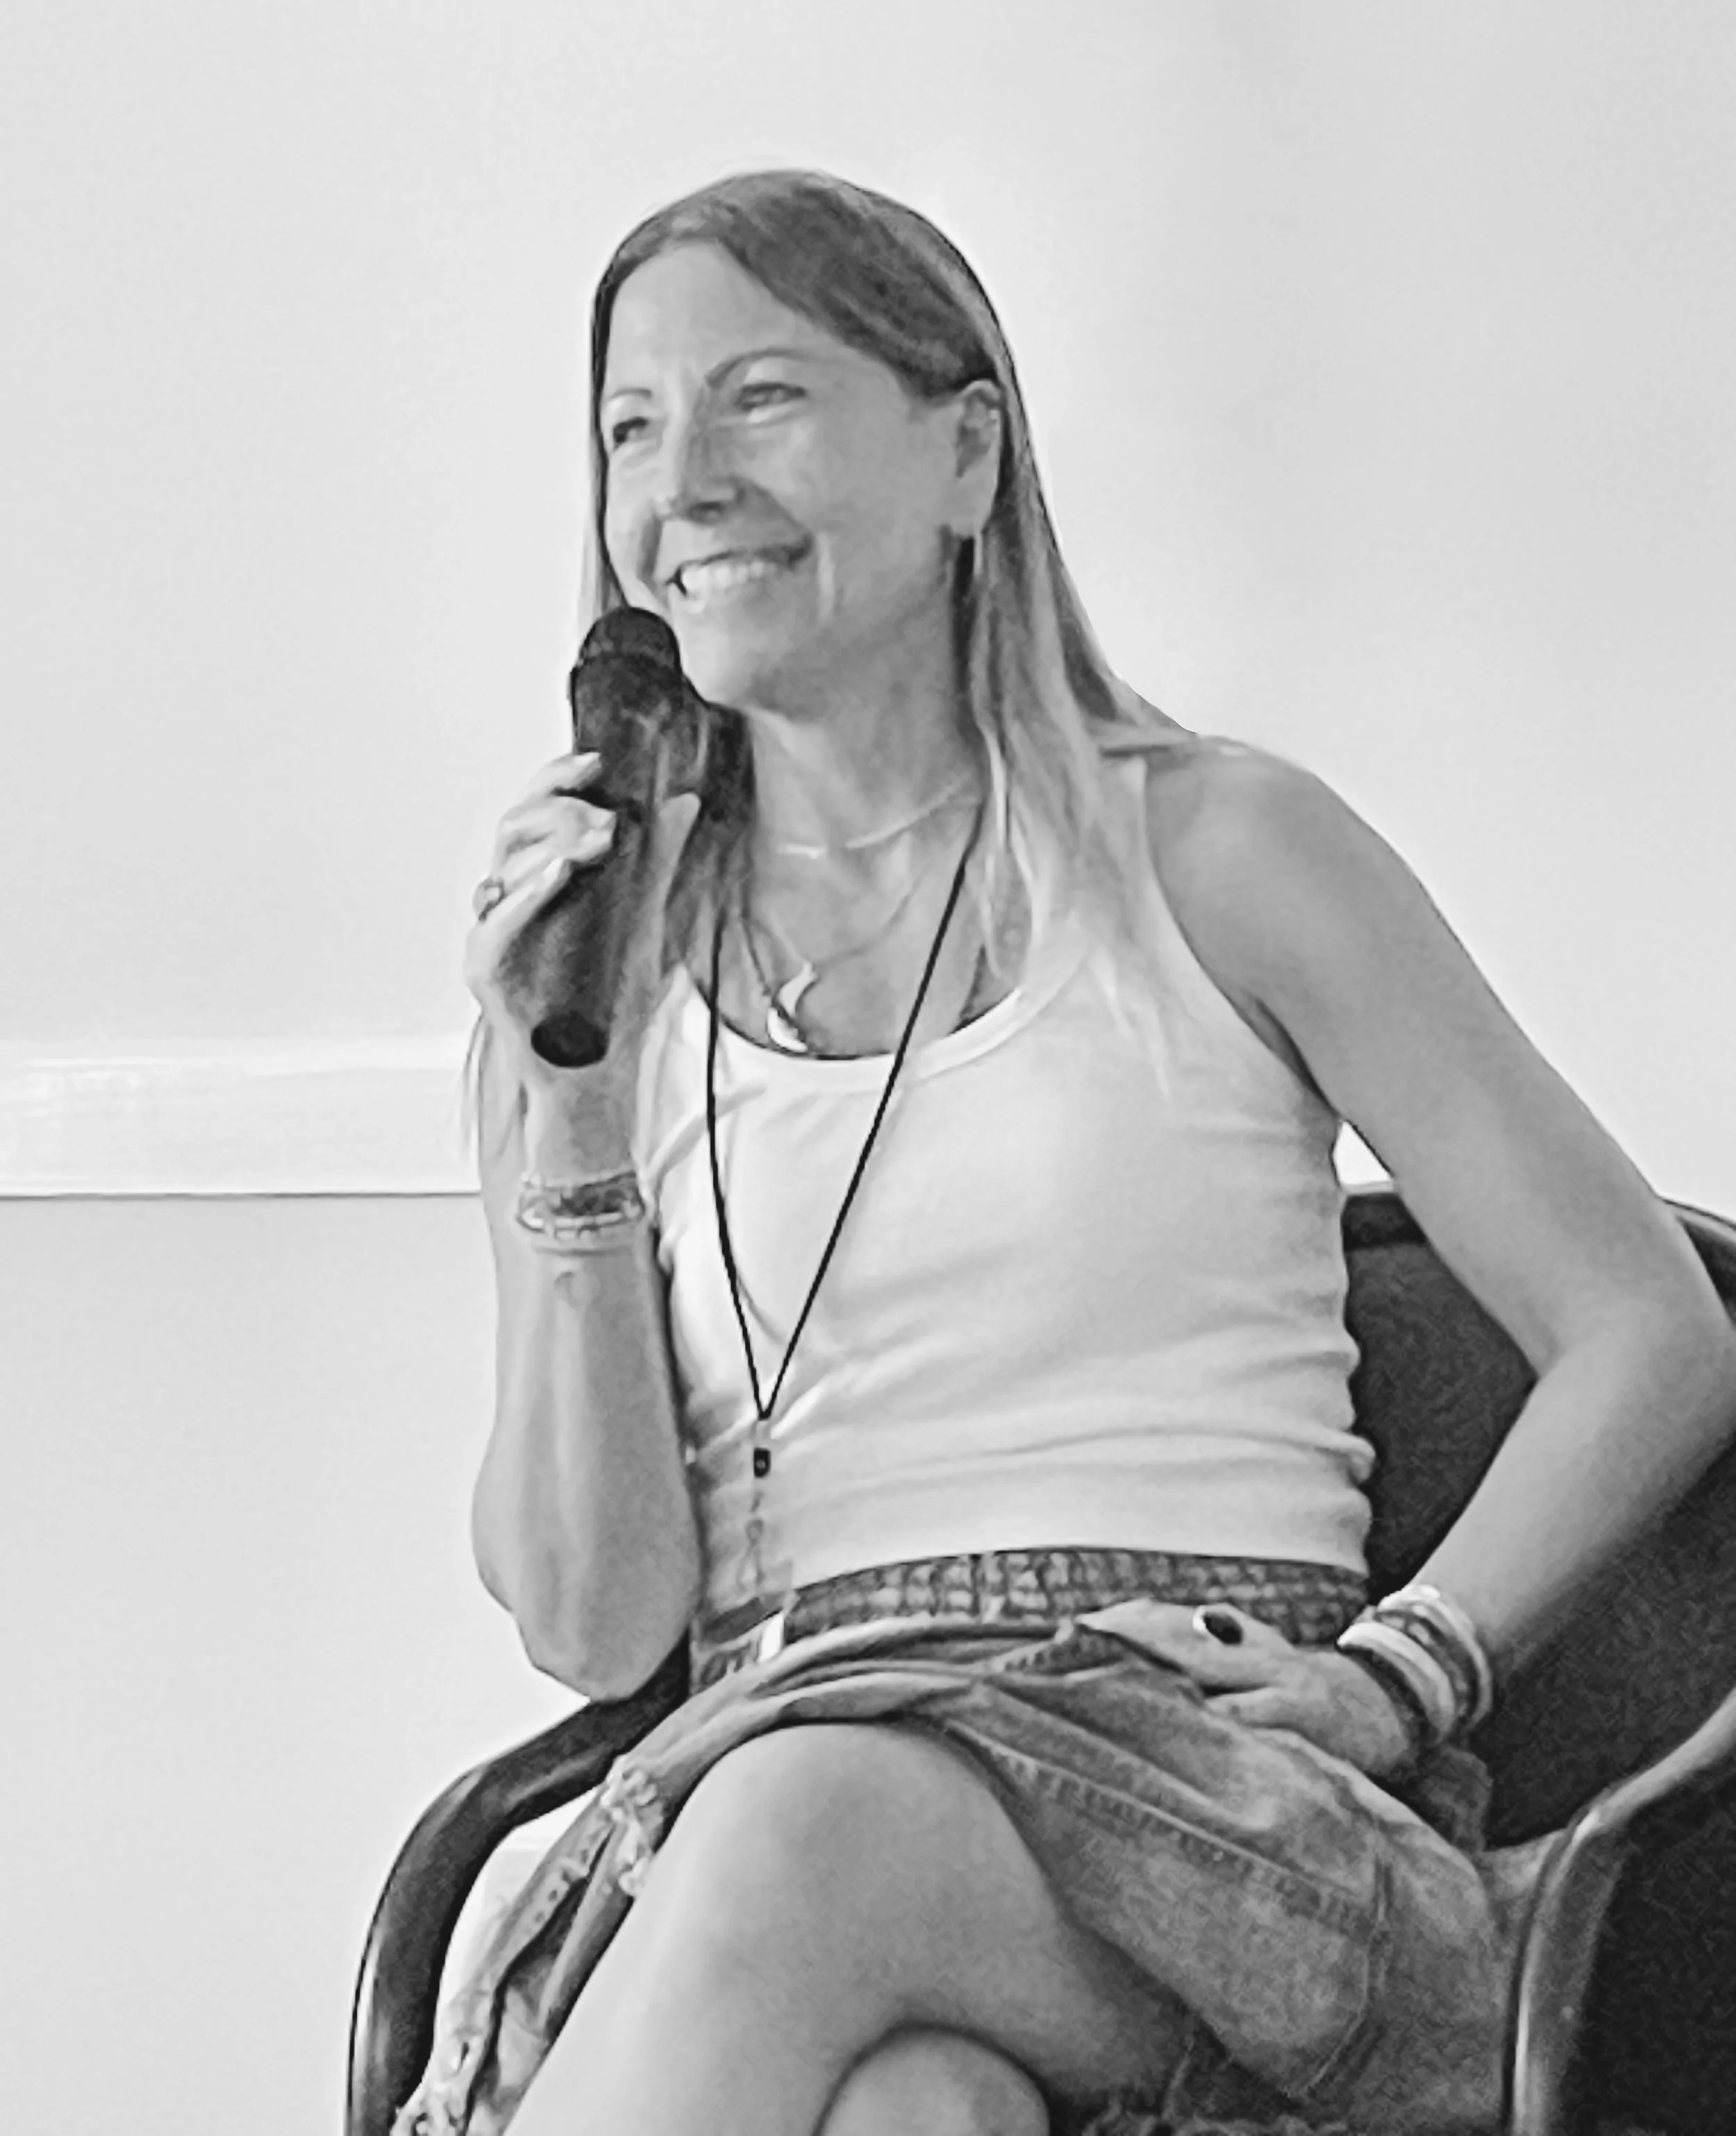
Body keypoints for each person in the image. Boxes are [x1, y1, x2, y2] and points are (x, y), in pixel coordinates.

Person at [426, 169, 1736, 2136]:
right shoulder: (592, 979)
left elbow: (1653, 1330)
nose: (678, 479)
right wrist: (567, 1115)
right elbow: (598, 1625)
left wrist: (1404, 1674)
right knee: (911, 2109)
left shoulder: (1220, 851)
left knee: (801, 1828)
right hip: (768, 1767)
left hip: (1219, 1784)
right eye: (629, 426)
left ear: (966, 454)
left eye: (759, 397)